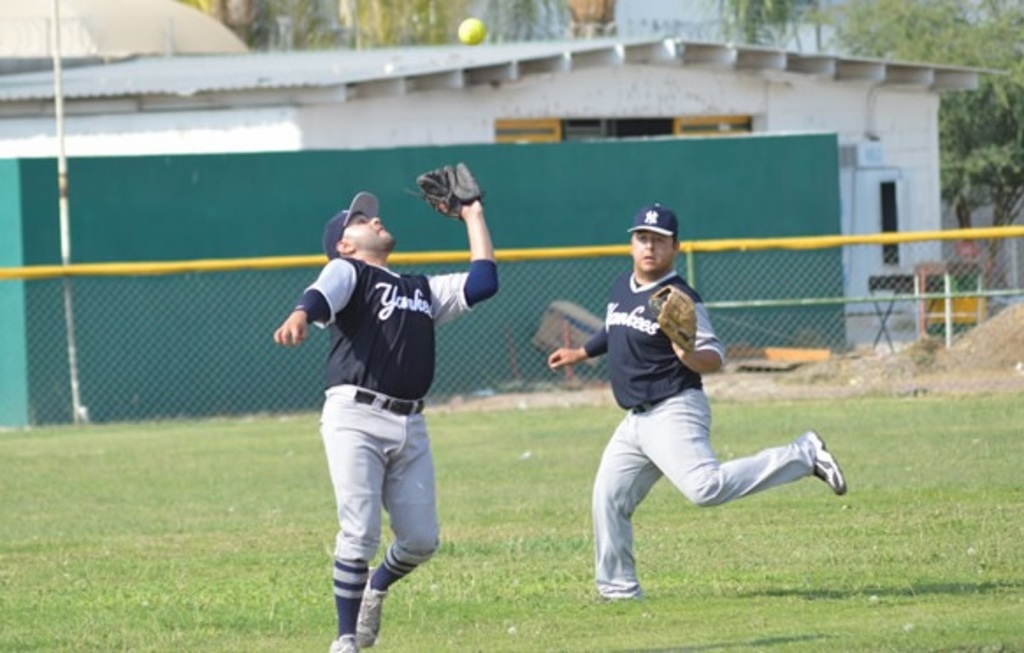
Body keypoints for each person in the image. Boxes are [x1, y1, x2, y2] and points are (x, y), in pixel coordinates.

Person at [547, 202, 846, 600]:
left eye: (659, 240)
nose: (649, 246)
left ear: (675, 247)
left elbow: (715, 356)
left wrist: (688, 354)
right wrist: (580, 352)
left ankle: (803, 454)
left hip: (674, 408)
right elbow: (614, 327)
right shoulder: (622, 286)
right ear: (631, 244)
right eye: (642, 238)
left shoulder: (680, 299)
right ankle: (619, 591)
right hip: (635, 421)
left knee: (705, 488)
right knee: (608, 498)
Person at [273, 184, 498, 652]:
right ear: (344, 244)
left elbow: (483, 283)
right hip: (355, 416)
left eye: (371, 215)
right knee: (360, 531)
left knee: (421, 541)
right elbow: (320, 294)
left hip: (411, 424)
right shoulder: (348, 271)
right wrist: (299, 314)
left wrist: (472, 215)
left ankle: (375, 587)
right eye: (360, 220)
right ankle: (345, 639)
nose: (374, 220)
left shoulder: (420, 289)